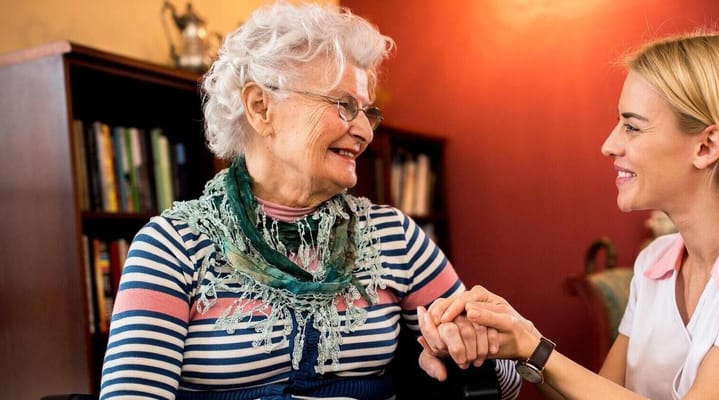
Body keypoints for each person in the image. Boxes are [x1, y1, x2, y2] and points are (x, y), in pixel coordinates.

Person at [421, 31, 719, 399]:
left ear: (706, 146)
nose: (609, 145)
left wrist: (533, 346)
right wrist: (512, 337)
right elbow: (603, 392)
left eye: (632, 126)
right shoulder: (656, 263)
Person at [97, 2, 519, 399]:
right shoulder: (173, 247)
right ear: (261, 107)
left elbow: (505, 384)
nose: (365, 132)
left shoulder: (393, 236)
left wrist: (467, 348)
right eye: (344, 105)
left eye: (367, 112)